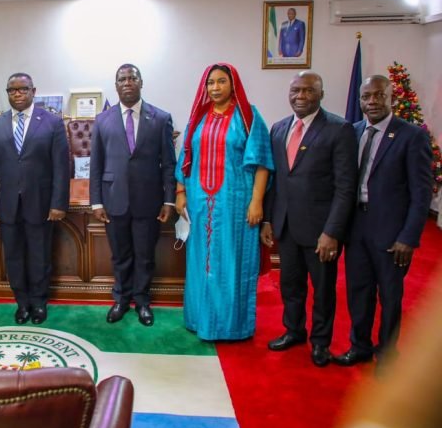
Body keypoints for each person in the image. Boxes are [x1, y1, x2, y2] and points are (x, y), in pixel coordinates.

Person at [333, 75, 432, 367]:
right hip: (357, 228)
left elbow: (421, 192)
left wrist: (409, 237)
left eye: (378, 96)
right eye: (366, 97)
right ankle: (359, 345)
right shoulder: (351, 132)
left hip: (392, 233)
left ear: (391, 98)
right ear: (360, 100)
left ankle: (387, 354)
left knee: (390, 296)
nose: (372, 102)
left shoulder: (412, 136)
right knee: (358, 291)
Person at [261, 71, 357, 367]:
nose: (301, 96)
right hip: (286, 225)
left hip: (321, 232)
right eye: (296, 91)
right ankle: (294, 330)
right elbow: (275, 180)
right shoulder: (279, 129)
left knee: (323, 289)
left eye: (308, 91)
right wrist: (267, 220)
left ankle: (320, 342)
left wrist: (333, 232)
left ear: (321, 94)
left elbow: (345, 187)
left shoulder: (339, 130)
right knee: (290, 284)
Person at [174, 63, 273, 340]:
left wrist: (257, 202)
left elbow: (263, 163)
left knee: (231, 262)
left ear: (233, 84)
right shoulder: (200, 116)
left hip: (235, 205)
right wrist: (181, 192)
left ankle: (231, 326)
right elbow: (185, 157)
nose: (215, 88)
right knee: (201, 264)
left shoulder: (249, 117)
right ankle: (199, 320)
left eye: (221, 82)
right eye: (210, 83)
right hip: (200, 205)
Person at [90, 63, 176, 327]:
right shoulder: (102, 120)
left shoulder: (160, 118)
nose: (127, 82)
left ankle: (142, 301)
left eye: (132, 78)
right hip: (114, 199)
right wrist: (96, 201)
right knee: (120, 255)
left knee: (145, 254)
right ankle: (121, 299)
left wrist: (169, 199)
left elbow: (168, 163)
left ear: (141, 82)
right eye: (121, 79)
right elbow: (97, 163)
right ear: (115, 86)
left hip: (148, 201)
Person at [0, 72, 70, 324]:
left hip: (41, 206)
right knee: (14, 257)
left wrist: (58, 203)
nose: (17, 94)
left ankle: (39, 303)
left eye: (22, 89)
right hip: (7, 206)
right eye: (12, 90)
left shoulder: (52, 122)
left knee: (40, 256)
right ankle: (21, 302)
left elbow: (62, 168)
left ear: (33, 91)